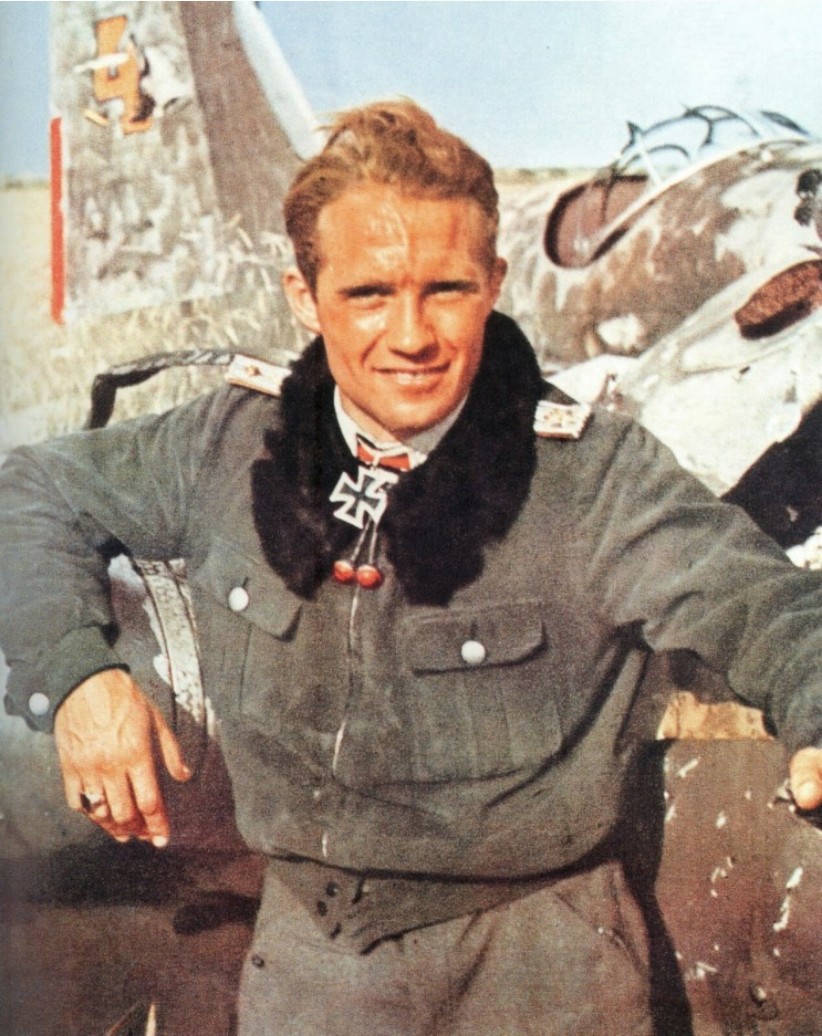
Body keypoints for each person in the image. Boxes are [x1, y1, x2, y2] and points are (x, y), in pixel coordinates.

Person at [1, 100, 821, 1036]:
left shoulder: (593, 477)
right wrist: (79, 677)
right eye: (368, 294)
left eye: (446, 290)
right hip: (312, 961)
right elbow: (29, 492)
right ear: (303, 296)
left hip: (537, 961)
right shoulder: (231, 441)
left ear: (494, 284)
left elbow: (765, 605)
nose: (412, 337)